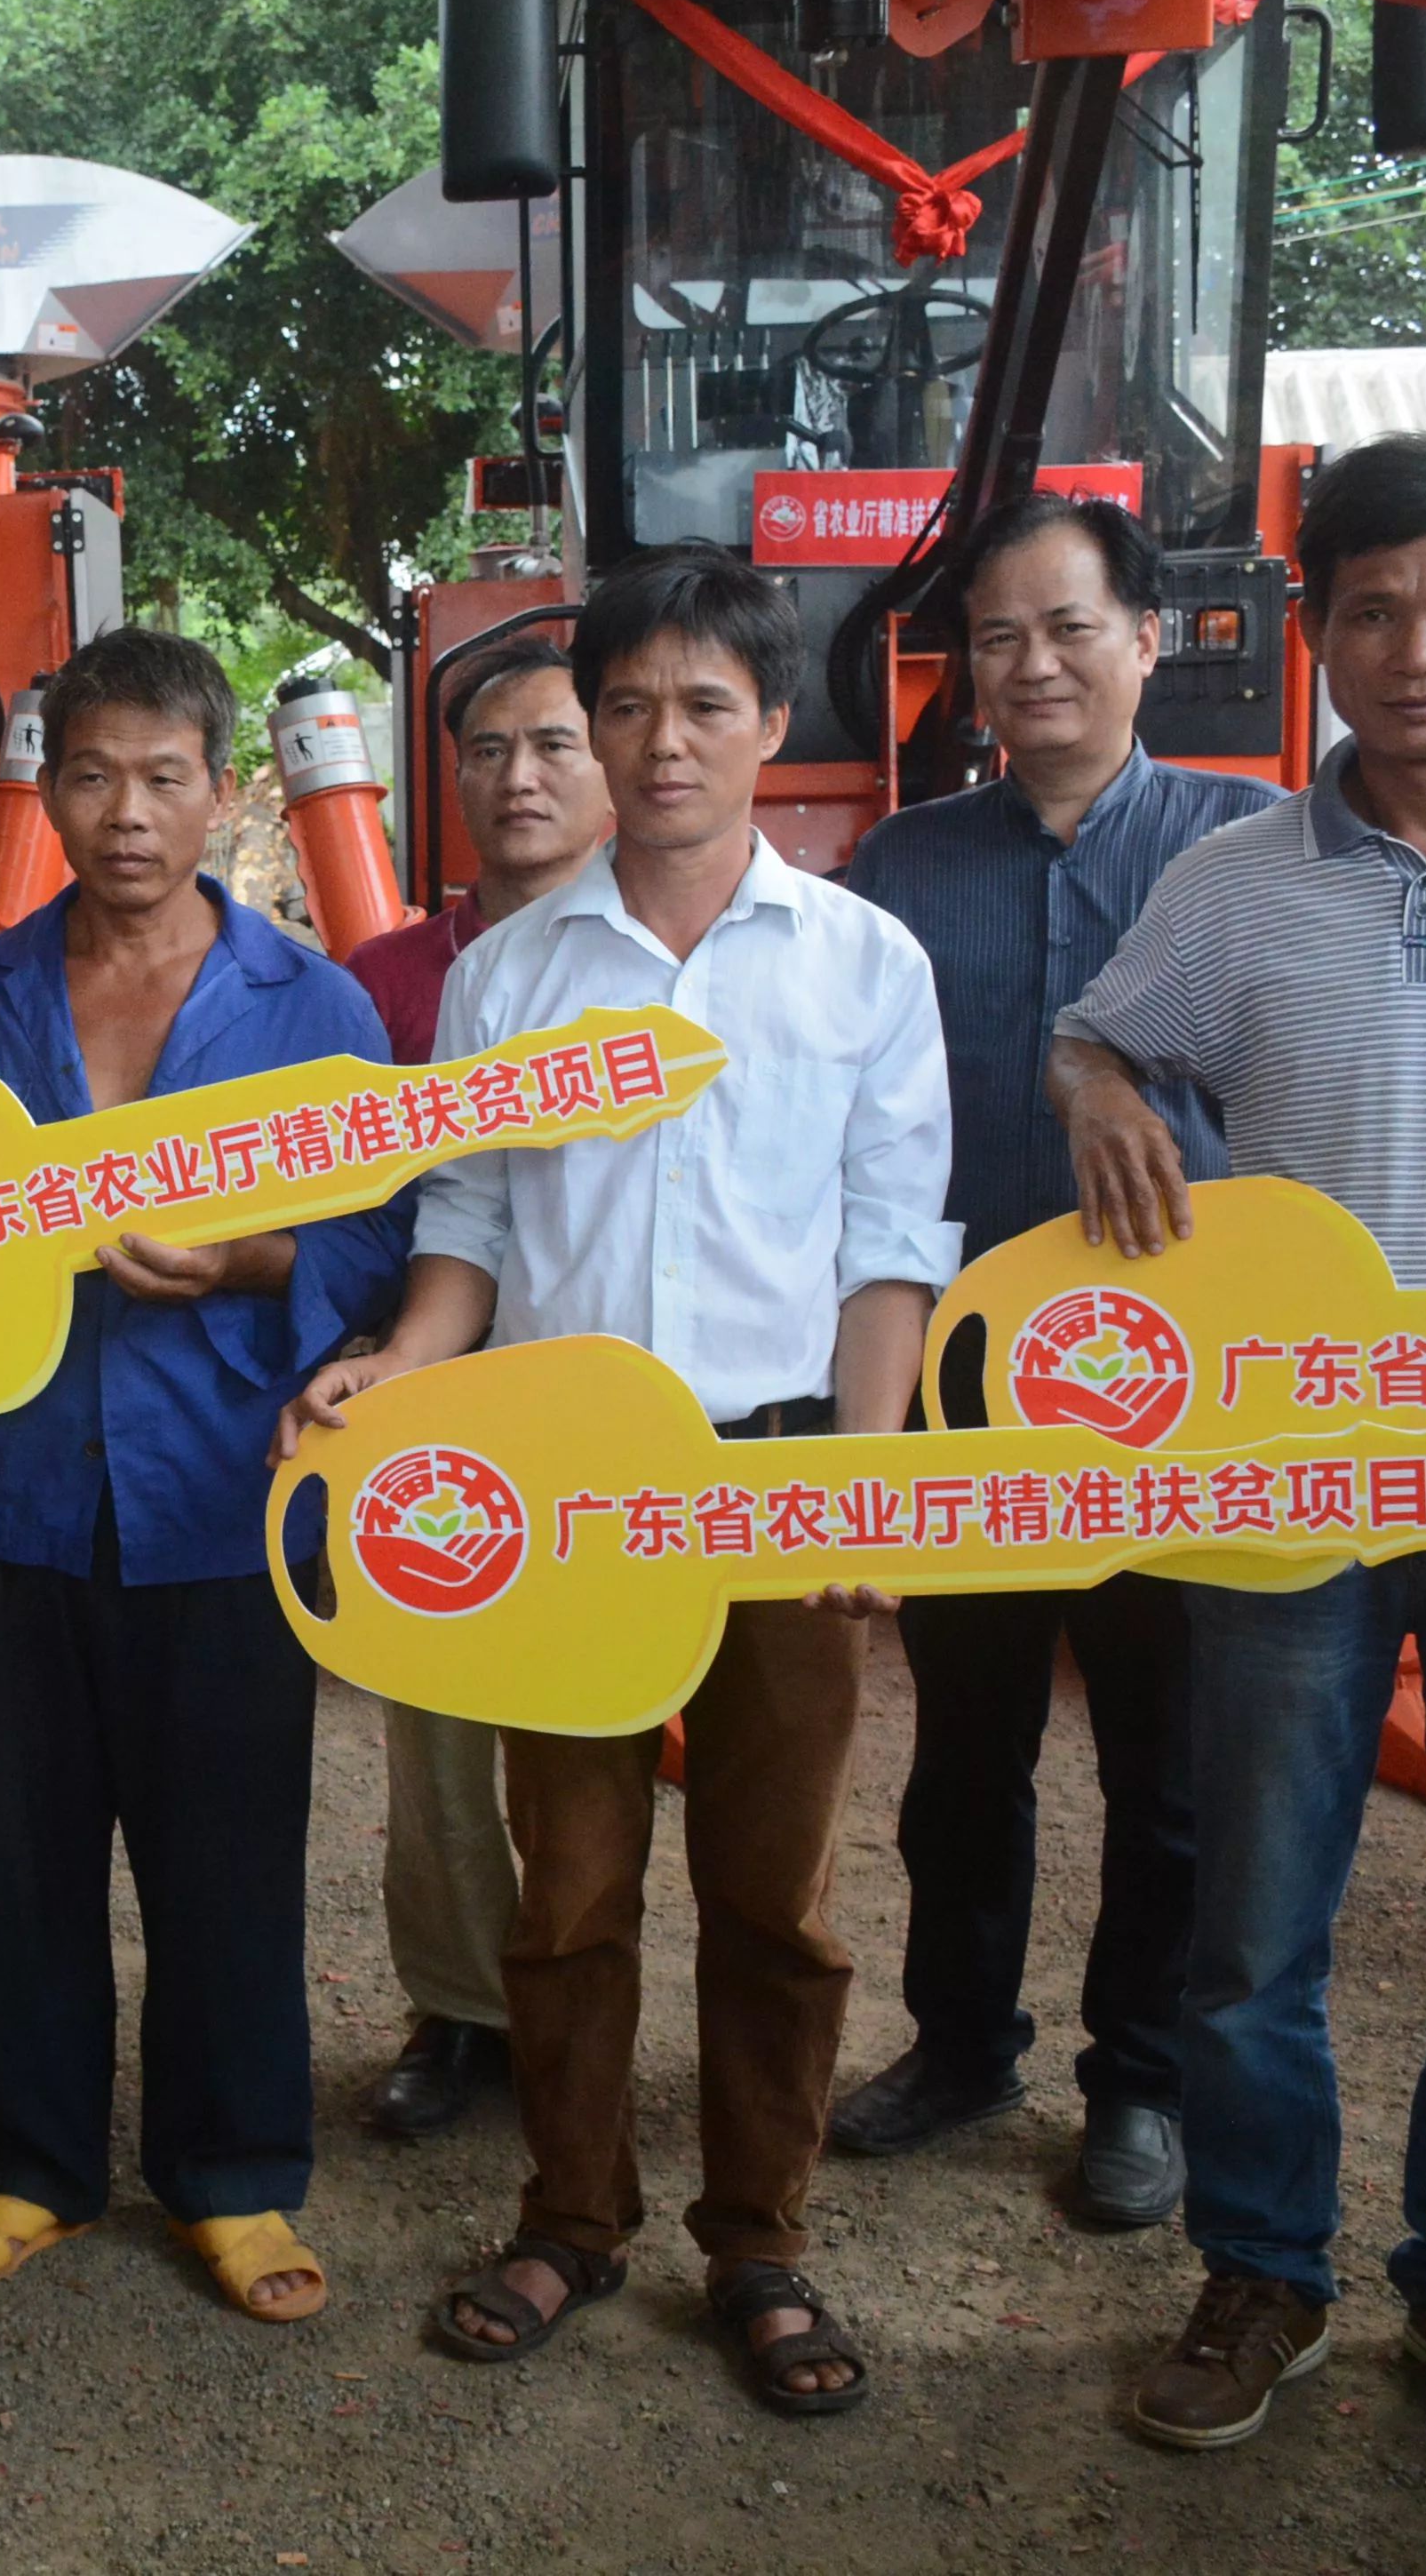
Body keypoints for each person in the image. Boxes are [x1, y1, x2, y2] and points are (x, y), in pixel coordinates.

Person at [1050, 435, 1426, 2482]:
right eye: (1376, 609)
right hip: (1290, 1470)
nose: (1418, 650)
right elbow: (1105, 1032)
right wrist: (1094, 1085)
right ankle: (1264, 2270)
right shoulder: (1231, 882)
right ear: (1316, 633)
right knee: (1253, 1917)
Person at [283, 544, 958, 2414]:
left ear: (771, 726)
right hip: (560, 1505)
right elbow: (472, 1220)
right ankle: (570, 2216)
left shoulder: (859, 963)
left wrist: (864, 1488)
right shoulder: (507, 974)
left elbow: (890, 1237)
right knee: (566, 1890)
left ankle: (760, 2243)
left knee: (774, 1897)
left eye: (705, 708)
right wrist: (397, 1364)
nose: (664, 745)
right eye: (630, 709)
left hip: (767, 1486)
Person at [0, 626, 412, 2327]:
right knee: (17, 1850)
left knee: (228, 1848)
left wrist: (251, 1268)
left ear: (223, 795)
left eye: (165, 777)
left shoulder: (314, 1007)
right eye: (91, 776)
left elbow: (379, 1233)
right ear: (51, 792)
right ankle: (25, 2164)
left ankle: (233, 2176)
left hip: (220, 1496)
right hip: (18, 1494)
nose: (127, 812)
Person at [825, 493, 1272, 2228]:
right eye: (995, 638)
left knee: (1164, 1762)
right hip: (965, 1386)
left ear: (1146, 641)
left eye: (1068, 628)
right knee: (966, 1749)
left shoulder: (1247, 856)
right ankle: (957, 2042)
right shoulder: (905, 869)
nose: (1031, 666)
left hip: (1181, 1396)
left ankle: (1137, 2084)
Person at [336, 633, 612, 2141]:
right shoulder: (382, 983)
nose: (520, 778)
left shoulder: (658, 974)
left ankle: (588, 2009)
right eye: (488, 750)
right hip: (427, 1398)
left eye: (555, 744)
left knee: (593, 1731)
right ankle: (458, 2011)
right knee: (433, 1733)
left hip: (601, 1409)